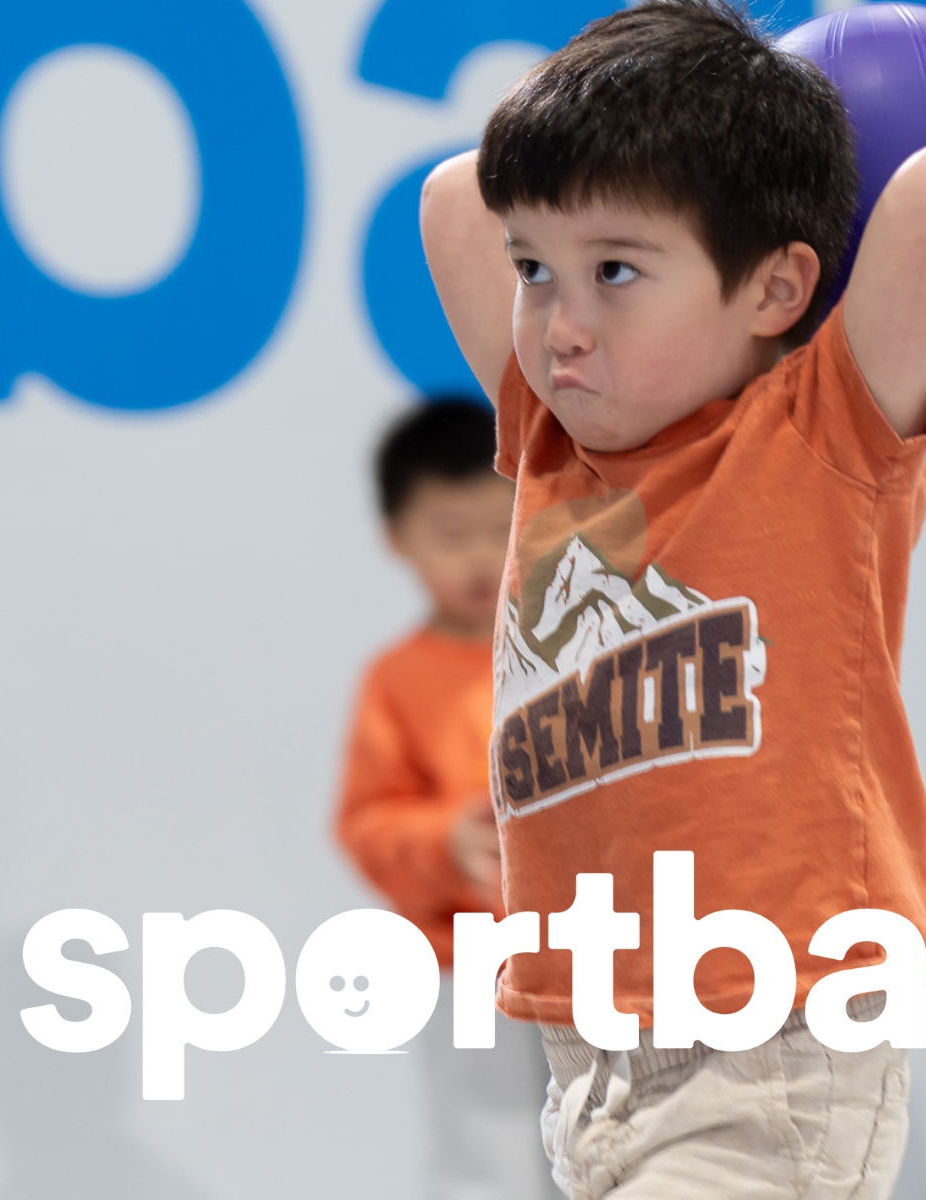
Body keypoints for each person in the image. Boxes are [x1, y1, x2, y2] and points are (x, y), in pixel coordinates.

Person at [420, 2, 926, 1193]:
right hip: (589, 1057)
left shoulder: (816, 434)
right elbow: (460, 194)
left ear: (777, 291)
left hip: (771, 1041)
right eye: (535, 276)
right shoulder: (554, 437)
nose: (562, 329)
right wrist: (604, 164)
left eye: (616, 272)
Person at [334, 398, 562, 1200]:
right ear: (397, 537)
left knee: (616, 1142)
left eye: (498, 528)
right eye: (449, 533)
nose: (477, 557)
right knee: (485, 1156)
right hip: (466, 968)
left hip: (600, 958)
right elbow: (367, 822)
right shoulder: (396, 680)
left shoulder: (584, 653)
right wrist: (441, 844)